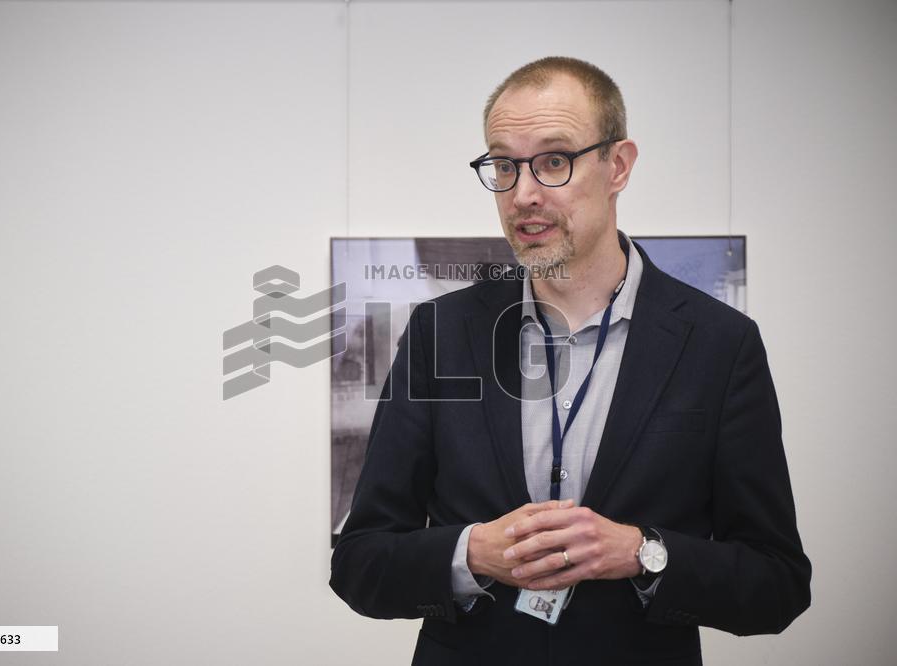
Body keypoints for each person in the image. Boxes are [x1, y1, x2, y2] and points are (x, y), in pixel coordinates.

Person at [329, 56, 810, 665]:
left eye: (554, 160)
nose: (523, 194)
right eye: (504, 165)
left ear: (618, 166)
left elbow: (777, 584)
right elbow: (360, 562)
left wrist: (642, 553)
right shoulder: (440, 332)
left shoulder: (719, 343)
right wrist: (472, 553)